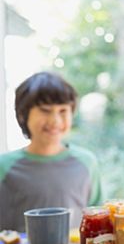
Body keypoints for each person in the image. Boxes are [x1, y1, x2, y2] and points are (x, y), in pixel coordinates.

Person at [0, 72, 103, 232]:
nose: (55, 120)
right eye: (45, 110)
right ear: (22, 115)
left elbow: (99, 221)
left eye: (63, 111)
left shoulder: (86, 162)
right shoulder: (4, 165)